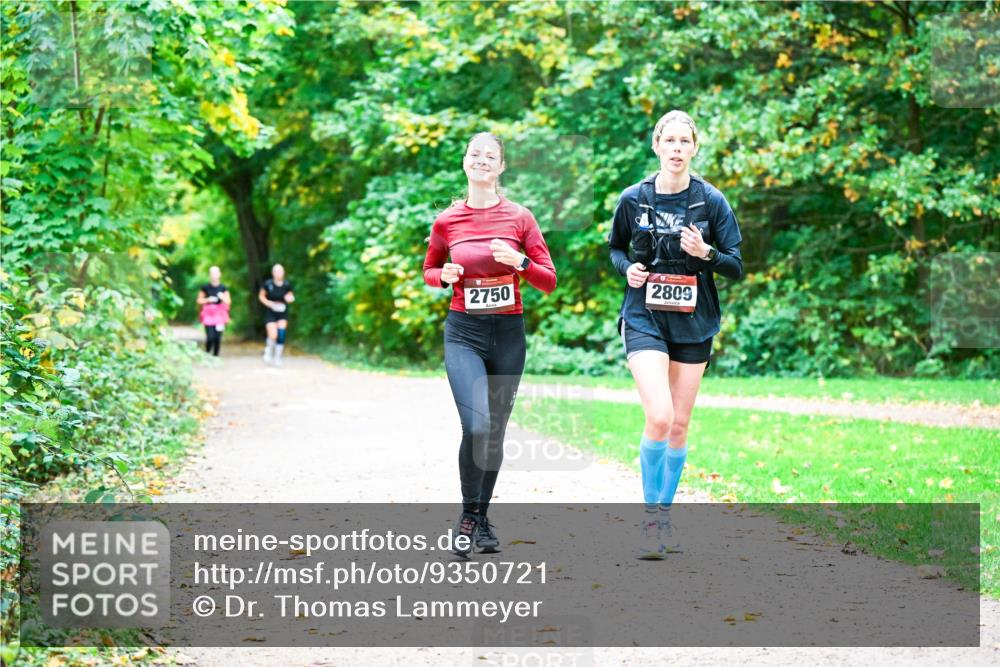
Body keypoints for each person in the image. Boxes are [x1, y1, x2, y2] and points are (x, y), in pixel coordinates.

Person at [607, 110, 744, 559]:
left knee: (680, 425)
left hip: (693, 319)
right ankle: (649, 521)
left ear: (695, 148)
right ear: (657, 146)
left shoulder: (711, 202)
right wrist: (628, 269)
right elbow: (614, 248)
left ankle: (664, 516)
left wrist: (706, 253)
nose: (677, 149)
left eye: (685, 142)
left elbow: (736, 266)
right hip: (644, 315)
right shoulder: (634, 198)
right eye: (670, 141)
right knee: (660, 417)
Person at [423, 132, 557, 557]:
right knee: (477, 425)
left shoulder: (520, 217)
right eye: (475, 154)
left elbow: (549, 280)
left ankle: (481, 519)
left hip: (508, 334)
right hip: (464, 331)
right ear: (466, 163)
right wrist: (441, 276)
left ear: (501, 167)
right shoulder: (447, 220)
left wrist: (519, 262)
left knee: (495, 432)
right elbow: (429, 269)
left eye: (491, 156)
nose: (482, 160)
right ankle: (467, 516)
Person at [259, 264, 295, 366]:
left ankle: (278, 357)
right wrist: (269, 303)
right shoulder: (268, 284)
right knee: (273, 334)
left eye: (280, 271)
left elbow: (290, 295)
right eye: (276, 271)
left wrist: (290, 299)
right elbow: (261, 296)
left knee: (281, 334)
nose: (278, 273)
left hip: (282, 311)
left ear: (283, 273)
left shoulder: (287, 284)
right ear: (273, 273)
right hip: (271, 311)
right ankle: (269, 351)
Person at [197, 266, 231, 356]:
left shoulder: (223, 288)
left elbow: (228, 301)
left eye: (216, 273)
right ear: (209, 275)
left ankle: (216, 356)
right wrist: (208, 299)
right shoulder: (205, 287)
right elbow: (199, 300)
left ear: (219, 274)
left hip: (220, 315)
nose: (214, 275)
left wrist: (222, 297)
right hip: (208, 314)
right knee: (210, 337)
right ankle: (207, 354)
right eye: (212, 273)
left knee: (217, 337)